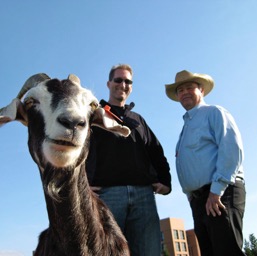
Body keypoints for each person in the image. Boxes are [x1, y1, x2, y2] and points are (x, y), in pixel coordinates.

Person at [86, 64, 171, 256]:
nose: (123, 85)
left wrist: (165, 181)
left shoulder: (138, 120)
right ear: (109, 83)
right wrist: (84, 184)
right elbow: (79, 152)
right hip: (108, 196)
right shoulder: (93, 116)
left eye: (128, 81)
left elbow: (156, 151)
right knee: (107, 251)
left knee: (149, 252)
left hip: (144, 197)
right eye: (118, 80)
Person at [165, 70, 246, 256]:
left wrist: (216, 191)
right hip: (200, 199)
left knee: (227, 251)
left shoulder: (214, 113)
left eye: (189, 87)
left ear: (201, 90)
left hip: (220, 193)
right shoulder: (185, 127)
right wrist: (191, 195)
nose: (184, 92)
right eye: (180, 90)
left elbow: (232, 150)